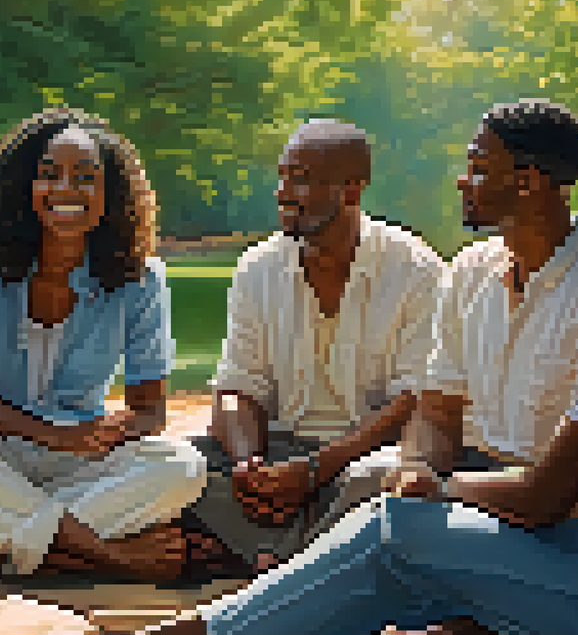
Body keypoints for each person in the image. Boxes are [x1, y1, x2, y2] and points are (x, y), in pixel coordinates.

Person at [53, 80, 578, 635]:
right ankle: (229, 633)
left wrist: (430, 486)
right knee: (389, 544)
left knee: (398, 534)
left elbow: (547, 499)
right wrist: (425, 475)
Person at [375, 100, 578, 635]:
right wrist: (418, 470)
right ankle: (492, 622)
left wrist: (445, 490)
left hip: (574, 511)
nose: (464, 179)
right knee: (373, 489)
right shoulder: (469, 271)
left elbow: (567, 488)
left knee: (389, 542)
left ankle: (495, 630)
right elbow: (437, 412)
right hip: (478, 487)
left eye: (479, 165)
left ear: (528, 181)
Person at [0, 108, 207, 582]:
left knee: (184, 467)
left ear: (110, 195)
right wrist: (55, 437)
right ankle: (99, 554)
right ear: (24, 188)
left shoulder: (141, 277)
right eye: (49, 175)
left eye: (85, 178)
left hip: (80, 460)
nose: (66, 190)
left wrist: (107, 432)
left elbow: (150, 410)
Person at [186, 119, 445, 575]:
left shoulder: (416, 269)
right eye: (283, 176)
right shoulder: (257, 268)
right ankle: (311, 556)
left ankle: (269, 556)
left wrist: (312, 473)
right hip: (278, 453)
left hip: (361, 460)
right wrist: (250, 468)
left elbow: (414, 401)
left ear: (352, 189)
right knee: (177, 467)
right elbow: (236, 387)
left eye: (301, 179)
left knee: (387, 480)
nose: (284, 192)